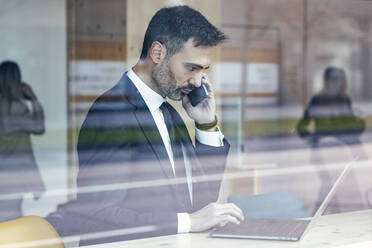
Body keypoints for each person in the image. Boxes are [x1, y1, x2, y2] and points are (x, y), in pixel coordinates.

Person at [48, 6, 244, 246]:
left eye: (203, 71)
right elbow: (98, 215)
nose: (197, 81)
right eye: (191, 68)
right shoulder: (112, 110)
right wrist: (188, 223)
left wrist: (206, 125)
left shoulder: (170, 112)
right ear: (158, 53)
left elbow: (200, 202)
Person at [296, 66, 366, 213]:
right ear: (327, 81)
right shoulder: (320, 100)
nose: (337, 83)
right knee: (331, 186)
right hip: (327, 152)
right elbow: (302, 127)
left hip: (340, 152)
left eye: (340, 79)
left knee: (332, 187)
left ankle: (319, 214)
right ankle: (319, 213)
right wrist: (315, 140)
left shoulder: (343, 99)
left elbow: (351, 128)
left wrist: (360, 121)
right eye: (334, 79)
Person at [0, 61, 45, 221]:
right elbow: (39, 128)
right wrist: (34, 100)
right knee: (10, 218)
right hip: (14, 172)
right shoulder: (17, 108)